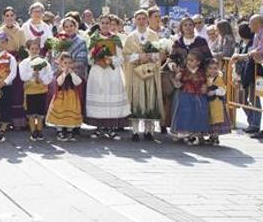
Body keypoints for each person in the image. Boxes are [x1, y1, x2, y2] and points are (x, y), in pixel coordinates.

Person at [232, 14, 263, 139]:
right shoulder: (259, 34)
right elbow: (253, 52)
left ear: (258, 24)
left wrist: (243, 56)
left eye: (251, 23)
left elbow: (258, 52)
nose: (248, 26)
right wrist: (252, 54)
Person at [123, 10, 164, 141]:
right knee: (137, 99)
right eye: (138, 18)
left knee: (150, 97)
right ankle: (135, 130)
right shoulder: (130, 37)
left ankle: (149, 130)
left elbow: (159, 54)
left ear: (147, 20)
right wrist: (138, 57)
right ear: (135, 20)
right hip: (136, 73)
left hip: (150, 71)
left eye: (143, 18)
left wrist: (150, 56)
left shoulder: (153, 35)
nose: (141, 21)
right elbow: (125, 56)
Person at [85, 27, 130, 139]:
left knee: (110, 98)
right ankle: (99, 128)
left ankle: (111, 128)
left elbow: (121, 58)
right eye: (103, 23)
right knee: (100, 98)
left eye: (107, 23)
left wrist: (111, 60)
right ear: (100, 25)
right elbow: (89, 57)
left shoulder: (116, 39)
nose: (105, 25)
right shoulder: (94, 39)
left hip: (112, 72)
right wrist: (96, 59)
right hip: (98, 71)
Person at [170, 52, 210, 145]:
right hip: (186, 95)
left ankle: (196, 134)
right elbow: (178, 81)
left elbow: (204, 81)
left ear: (198, 62)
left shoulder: (201, 72)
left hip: (198, 96)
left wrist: (205, 87)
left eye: (192, 60)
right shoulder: (183, 71)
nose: (188, 62)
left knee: (197, 114)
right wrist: (177, 77)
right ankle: (185, 134)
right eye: (188, 60)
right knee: (186, 114)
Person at [19, 38, 53, 141]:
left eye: (36, 49)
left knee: (40, 112)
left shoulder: (45, 62)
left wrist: (41, 79)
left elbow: (49, 76)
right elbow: (23, 77)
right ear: (28, 50)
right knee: (31, 112)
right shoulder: (24, 63)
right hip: (30, 90)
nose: (34, 51)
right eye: (32, 49)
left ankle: (40, 130)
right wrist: (32, 74)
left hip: (41, 89)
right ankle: (33, 131)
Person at [0, 7, 27, 129]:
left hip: (16, 62)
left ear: (15, 17)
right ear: (3, 17)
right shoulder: (0, 31)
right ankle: (5, 121)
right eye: (7, 15)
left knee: (17, 92)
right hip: (4, 62)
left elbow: (23, 48)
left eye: (11, 15)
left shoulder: (20, 31)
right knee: (5, 92)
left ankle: (18, 122)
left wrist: (18, 61)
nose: (9, 18)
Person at [47, 52, 84, 141]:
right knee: (60, 111)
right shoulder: (59, 73)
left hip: (72, 96)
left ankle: (70, 131)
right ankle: (59, 131)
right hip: (61, 96)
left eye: (69, 63)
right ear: (61, 63)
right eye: (65, 63)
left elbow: (78, 82)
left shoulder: (74, 72)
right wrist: (64, 73)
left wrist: (71, 73)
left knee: (71, 111)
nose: (67, 65)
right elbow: (59, 83)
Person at [205, 59, 231, 145]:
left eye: (215, 68)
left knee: (216, 120)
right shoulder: (206, 78)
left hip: (217, 103)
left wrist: (214, 91)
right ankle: (211, 136)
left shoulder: (218, 79)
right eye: (210, 68)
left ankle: (215, 138)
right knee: (210, 119)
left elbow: (223, 90)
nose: (213, 70)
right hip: (208, 103)